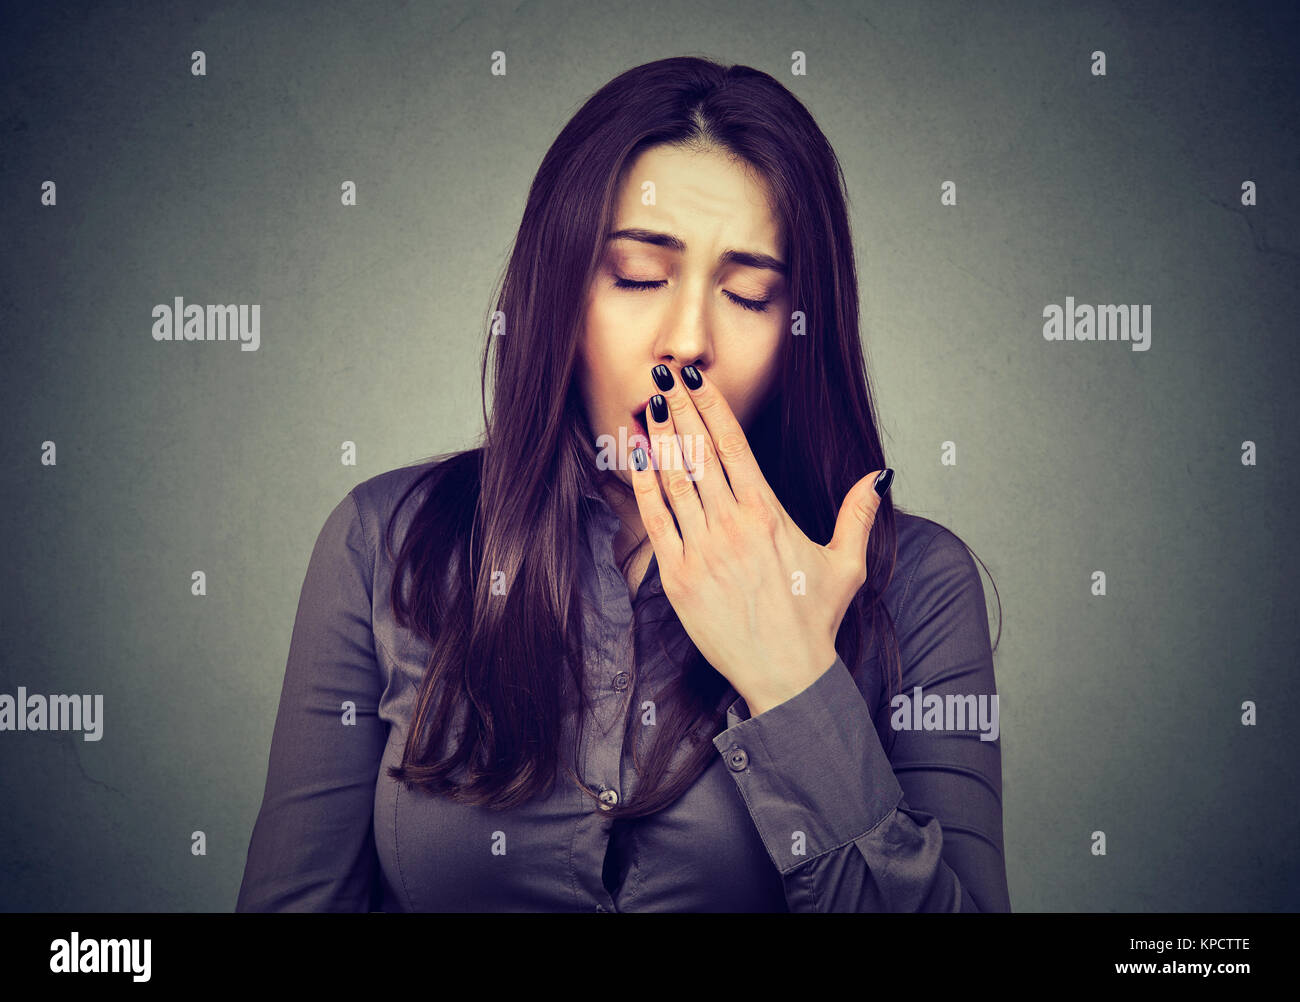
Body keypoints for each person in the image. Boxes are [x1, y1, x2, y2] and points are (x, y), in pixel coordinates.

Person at [235, 55, 1009, 912]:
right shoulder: (382, 541)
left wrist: (791, 679)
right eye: (639, 276)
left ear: (798, 329)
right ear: (560, 292)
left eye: (749, 294)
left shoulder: (919, 586)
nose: (687, 339)